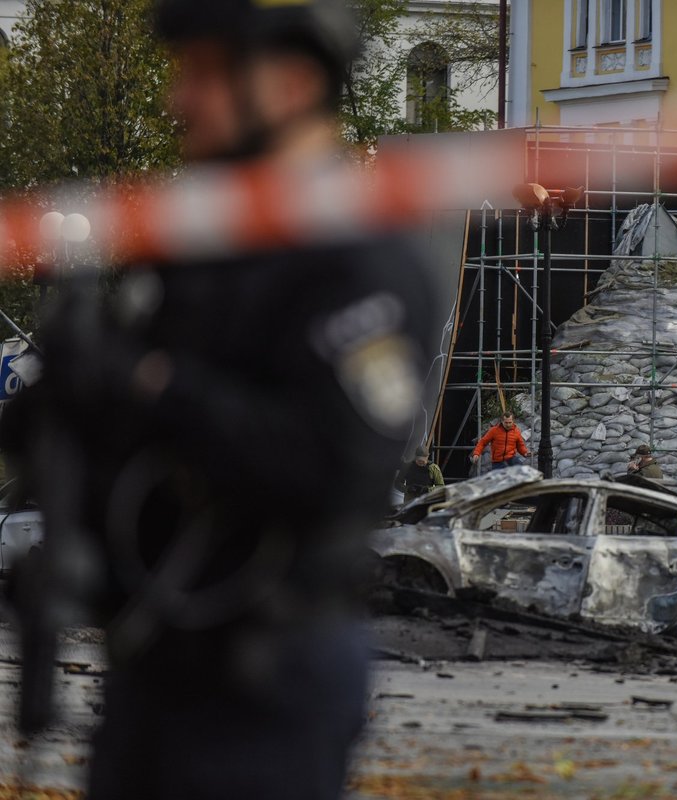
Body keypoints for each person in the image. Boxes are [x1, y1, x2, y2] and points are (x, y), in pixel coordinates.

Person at [0, 1, 440, 798]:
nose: (179, 101)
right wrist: (57, 401)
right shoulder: (199, 251)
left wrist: (148, 385)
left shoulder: (358, 261)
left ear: (293, 82)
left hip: (268, 671)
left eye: (204, 75)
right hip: (155, 663)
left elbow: (332, 462)